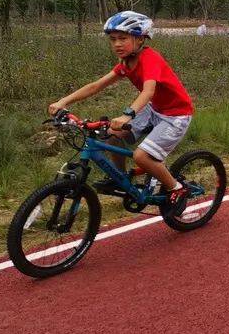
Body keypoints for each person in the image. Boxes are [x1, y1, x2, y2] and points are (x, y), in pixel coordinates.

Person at [48, 11, 194, 214]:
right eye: (113, 39)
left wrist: (127, 115)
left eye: (123, 38)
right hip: (154, 109)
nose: (117, 44)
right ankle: (120, 177)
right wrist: (63, 101)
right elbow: (96, 86)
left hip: (175, 115)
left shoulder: (150, 58)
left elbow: (148, 91)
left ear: (140, 39)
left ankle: (177, 188)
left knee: (141, 156)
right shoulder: (125, 63)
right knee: (112, 136)